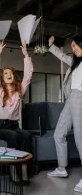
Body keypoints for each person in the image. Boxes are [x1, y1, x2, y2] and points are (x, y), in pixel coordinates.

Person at [0, 40, 33, 185]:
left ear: (14, 77)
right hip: (0, 127)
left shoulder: (19, 91)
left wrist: (26, 55)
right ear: (3, 78)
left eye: (10, 73)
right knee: (14, 136)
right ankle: (13, 170)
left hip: (14, 125)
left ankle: (23, 168)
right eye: (5, 73)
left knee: (27, 135)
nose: (8, 74)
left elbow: (28, 76)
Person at [47, 36, 82, 193]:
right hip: (71, 98)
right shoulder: (75, 63)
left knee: (80, 139)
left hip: (81, 98)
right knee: (59, 133)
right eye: (72, 46)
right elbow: (62, 56)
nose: (73, 49)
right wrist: (51, 45)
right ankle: (62, 168)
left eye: (76, 46)